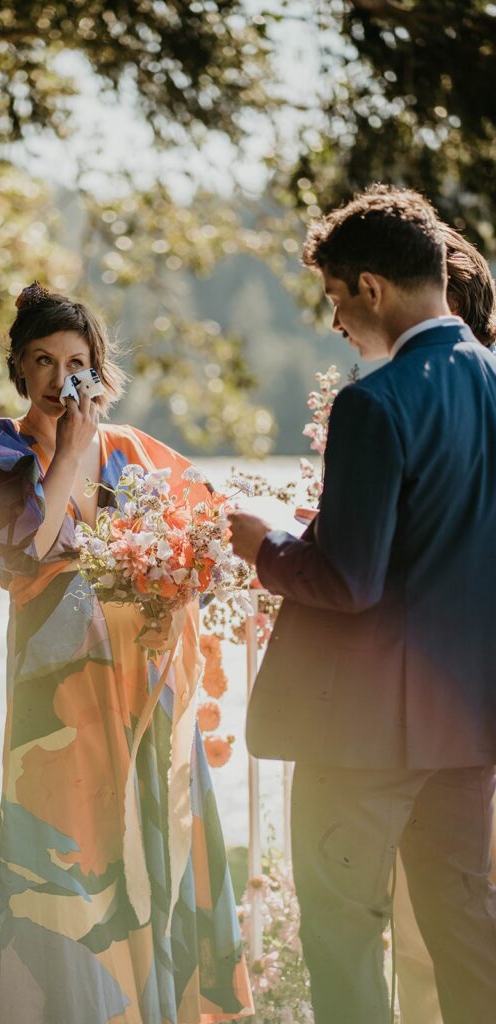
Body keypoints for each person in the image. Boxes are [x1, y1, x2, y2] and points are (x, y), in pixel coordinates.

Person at [228, 186, 496, 1024]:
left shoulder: (373, 403)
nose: (337, 323)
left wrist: (265, 542)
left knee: (343, 941)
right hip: (470, 724)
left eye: (336, 302)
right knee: (466, 932)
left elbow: (349, 579)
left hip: (361, 736)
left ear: (371, 288)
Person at [0, 282, 253, 1024]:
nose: (62, 379)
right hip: (56, 706)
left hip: (145, 695)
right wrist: (76, 445)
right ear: (19, 370)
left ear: (98, 369)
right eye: (43, 360)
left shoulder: (138, 455)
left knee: (154, 852)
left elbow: (212, 529)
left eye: (77, 360)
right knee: (61, 870)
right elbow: (25, 546)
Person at [391, 222, 496, 1024]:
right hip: (452, 708)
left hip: (448, 709)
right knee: (448, 908)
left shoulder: (408, 400)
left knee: (455, 909)